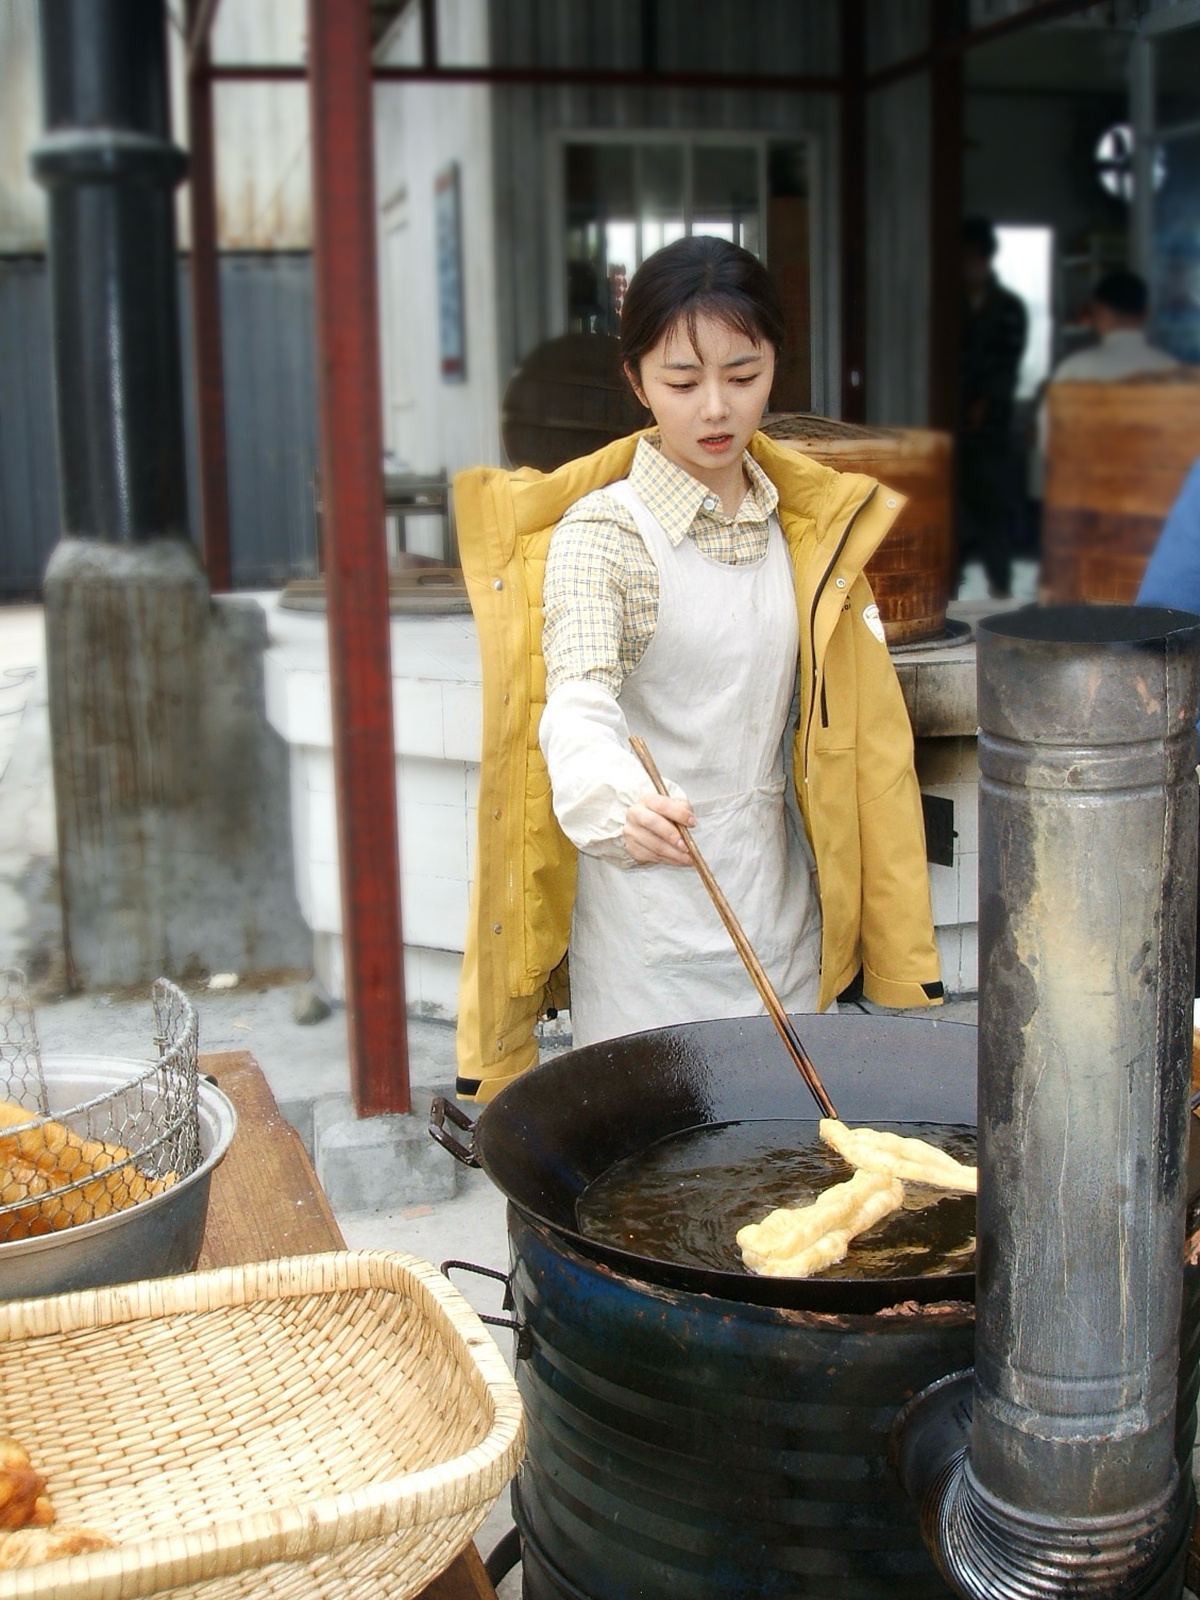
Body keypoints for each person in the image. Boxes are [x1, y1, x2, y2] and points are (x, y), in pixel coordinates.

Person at [453, 236, 941, 1102]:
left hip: (781, 906)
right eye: (681, 382)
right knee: (660, 1175)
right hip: (650, 938)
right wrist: (609, 800)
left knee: (787, 1161)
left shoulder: (806, 529)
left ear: (775, 366)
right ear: (637, 382)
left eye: (743, 375)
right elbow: (576, 699)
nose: (715, 408)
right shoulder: (606, 536)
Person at [959, 216, 1028, 600]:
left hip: (991, 429)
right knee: (948, 511)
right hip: (948, 424)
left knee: (990, 507)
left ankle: (1001, 587)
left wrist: (984, 401)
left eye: (972, 256)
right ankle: (945, 592)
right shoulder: (949, 304)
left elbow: (1007, 362)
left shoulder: (1008, 308)